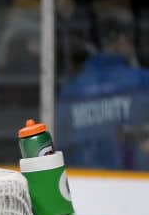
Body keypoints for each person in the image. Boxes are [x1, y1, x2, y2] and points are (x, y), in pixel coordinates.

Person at [57, 13, 149, 169]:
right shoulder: (142, 81)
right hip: (134, 182)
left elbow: (61, 148)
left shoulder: (70, 90)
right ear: (121, 39)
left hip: (81, 183)